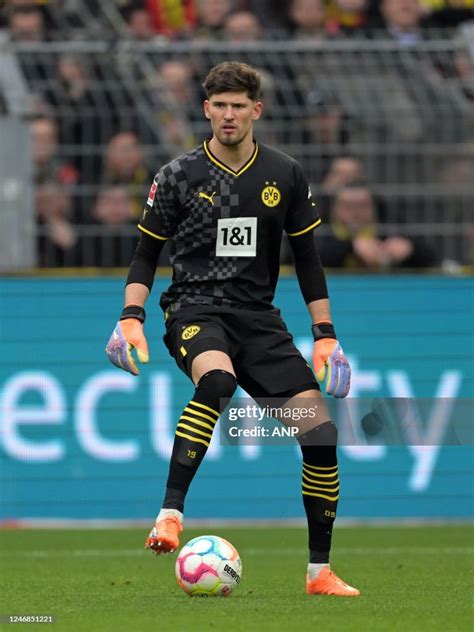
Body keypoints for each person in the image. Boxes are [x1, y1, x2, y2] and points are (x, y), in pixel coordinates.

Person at [105, 61, 360, 597]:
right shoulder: (178, 176)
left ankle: (320, 573)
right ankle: (170, 514)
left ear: (255, 111)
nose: (228, 114)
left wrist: (326, 333)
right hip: (194, 310)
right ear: (206, 110)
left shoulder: (284, 173)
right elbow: (145, 253)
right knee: (216, 382)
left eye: (238, 106)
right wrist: (131, 319)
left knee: (321, 435)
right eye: (219, 105)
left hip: (259, 318)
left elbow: (308, 258)